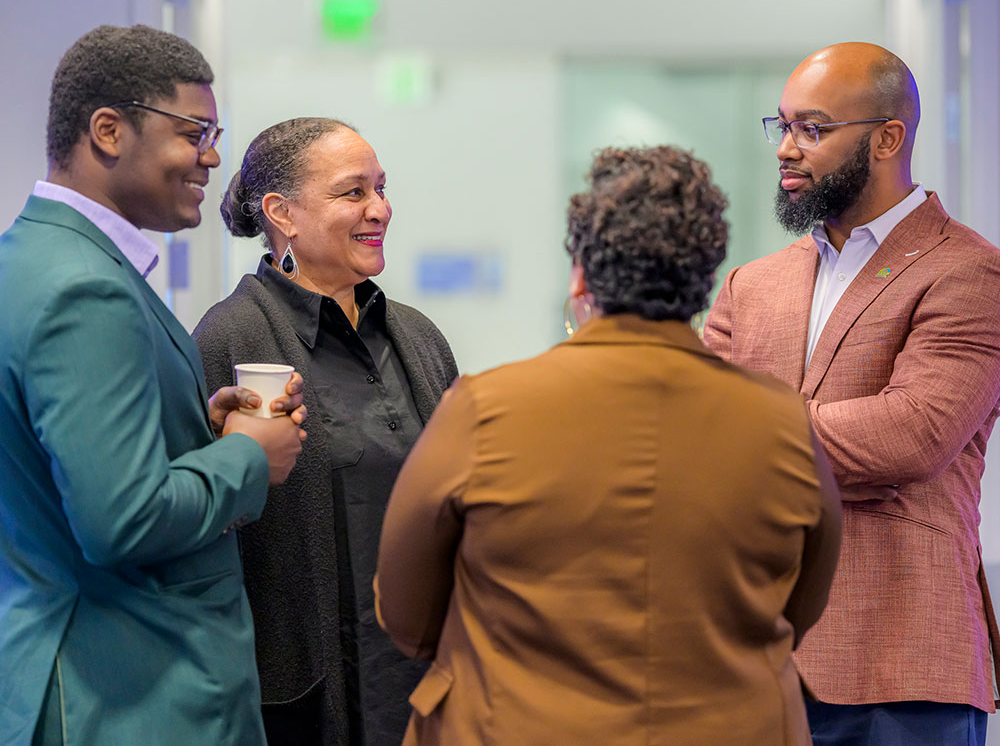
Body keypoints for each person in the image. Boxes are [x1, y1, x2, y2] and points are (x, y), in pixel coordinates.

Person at [374, 145, 843, 745]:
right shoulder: (781, 422)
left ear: (581, 274)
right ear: (705, 280)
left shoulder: (485, 409)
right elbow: (801, 607)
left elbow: (408, 615)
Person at [0, 24, 307, 745]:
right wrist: (248, 456)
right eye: (194, 131)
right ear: (109, 130)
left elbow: (67, 463)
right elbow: (121, 519)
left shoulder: (32, 256)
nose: (213, 156)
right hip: (129, 690)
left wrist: (196, 429)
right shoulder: (85, 288)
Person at [703, 42, 1000, 745]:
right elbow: (693, 432)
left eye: (813, 128)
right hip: (753, 660)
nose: (787, 149)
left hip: (901, 664)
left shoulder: (971, 273)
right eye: (781, 126)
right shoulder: (753, 284)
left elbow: (913, 432)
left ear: (888, 137)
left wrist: (746, 435)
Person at [193, 117, 459, 745]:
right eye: (354, 192)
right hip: (301, 700)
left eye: (382, 188)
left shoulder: (419, 338)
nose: (381, 209)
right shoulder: (232, 339)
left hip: (424, 685)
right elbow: (203, 515)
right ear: (281, 213)